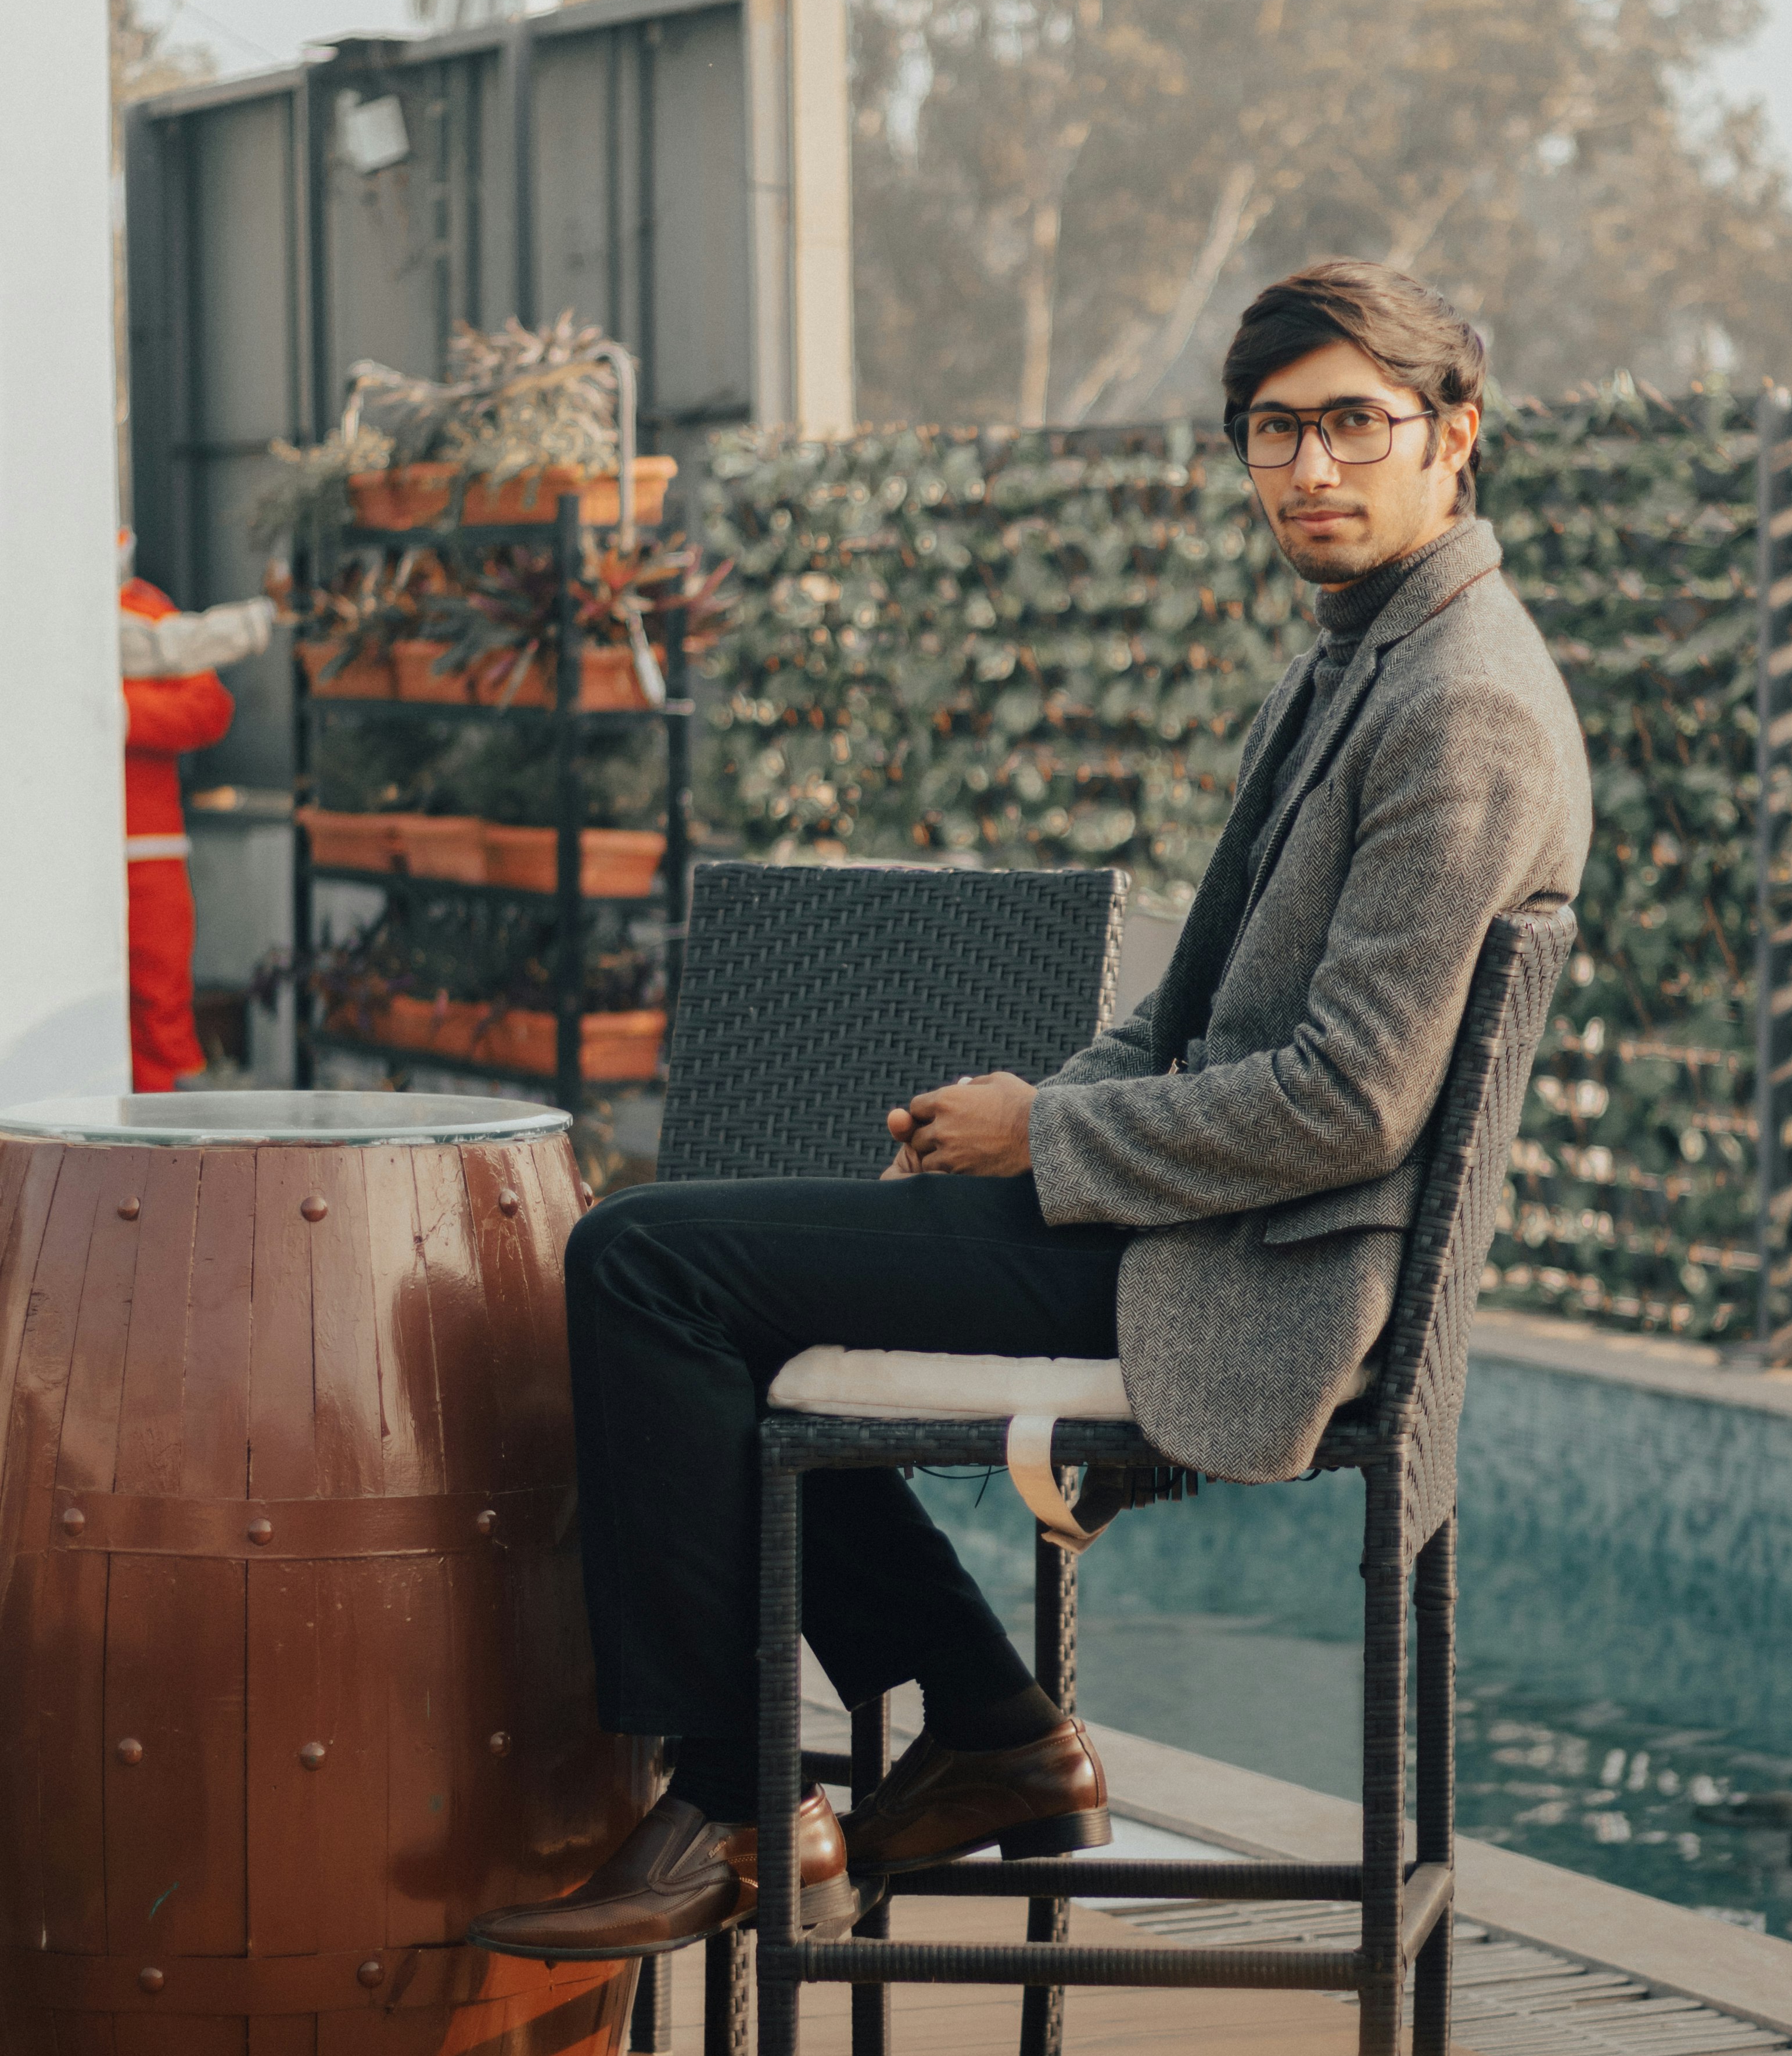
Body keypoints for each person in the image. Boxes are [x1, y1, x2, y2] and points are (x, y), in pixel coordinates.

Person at [475, 259, 1592, 1961]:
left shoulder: (1461, 707)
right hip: (1183, 1218)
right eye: (1272, 431)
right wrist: (1036, 1106)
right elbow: (1187, 1003)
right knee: (696, 1293)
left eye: (1352, 423)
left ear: (1454, 434)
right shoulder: (1357, 660)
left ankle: (740, 1798)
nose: (1308, 469)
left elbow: (1353, 1102)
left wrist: (1046, 1146)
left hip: (1244, 1274)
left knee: (644, 1269)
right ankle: (993, 1729)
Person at [117, 542, 276, 1093]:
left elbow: (210, 708)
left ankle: (172, 1151)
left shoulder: (145, 607)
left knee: (160, 993)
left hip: (147, 841)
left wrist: (123, 716)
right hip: (58, 847)